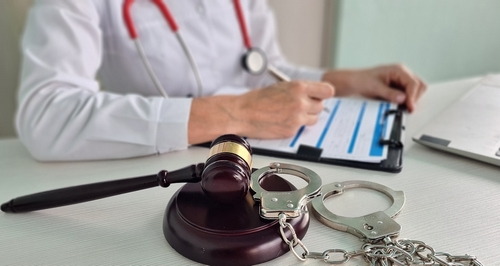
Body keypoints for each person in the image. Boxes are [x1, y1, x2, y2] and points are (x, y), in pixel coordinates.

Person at [16, 0, 426, 161]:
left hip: (258, 162)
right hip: (160, 171)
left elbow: (263, 69)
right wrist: (237, 112)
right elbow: (46, 116)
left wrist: (344, 81)